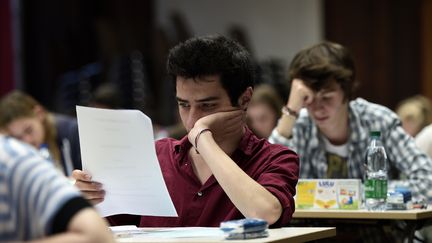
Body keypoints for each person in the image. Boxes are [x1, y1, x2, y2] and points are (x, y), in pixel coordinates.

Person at [73, 35, 299, 227]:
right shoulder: (156, 156)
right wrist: (87, 199)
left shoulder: (275, 159)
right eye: (183, 104)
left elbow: (265, 213)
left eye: (207, 105)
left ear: (245, 99)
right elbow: (111, 229)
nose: (192, 119)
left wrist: (203, 138)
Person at [269, 41, 432, 202]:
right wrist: (291, 109)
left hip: (376, 226)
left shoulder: (378, 120)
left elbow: (427, 181)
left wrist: (362, 193)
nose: (318, 108)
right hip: (317, 228)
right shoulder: (298, 125)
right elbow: (268, 184)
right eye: (308, 98)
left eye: (327, 97)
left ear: (346, 91)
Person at [0, 133, 114, 242]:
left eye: (29, 130)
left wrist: (70, 190)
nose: (27, 140)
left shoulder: (12, 156)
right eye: (15, 136)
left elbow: (95, 236)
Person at [0, 90, 82, 176]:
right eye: (17, 138)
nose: (27, 140)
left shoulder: (73, 131)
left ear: (39, 114)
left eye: (29, 130)